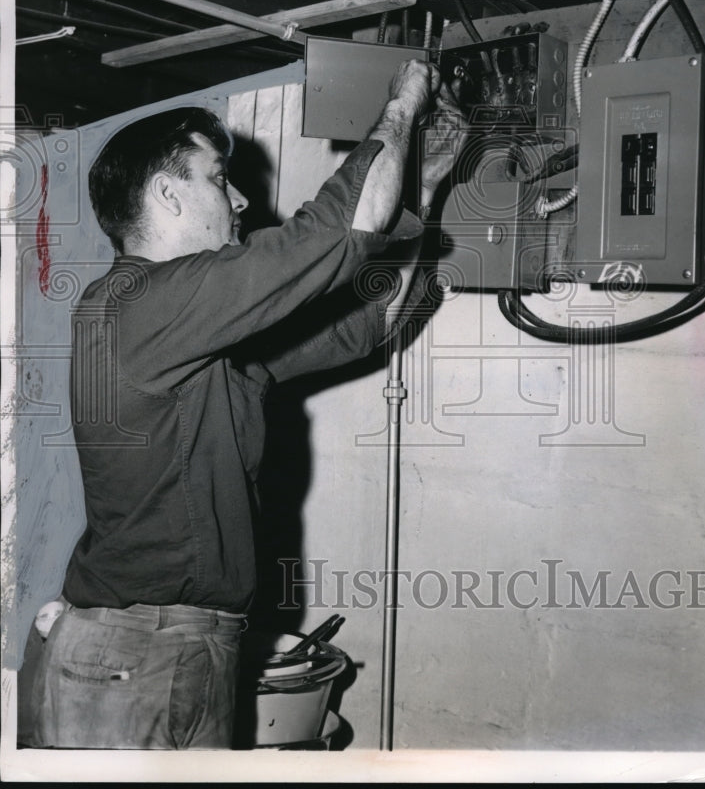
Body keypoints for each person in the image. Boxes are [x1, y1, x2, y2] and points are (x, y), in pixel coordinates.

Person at [27, 59, 466, 749]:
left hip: (185, 645)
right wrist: (404, 102)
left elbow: (370, 323)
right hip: (133, 655)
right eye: (217, 180)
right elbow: (333, 235)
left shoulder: (202, 336)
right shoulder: (139, 304)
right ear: (169, 195)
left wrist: (429, 187)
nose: (238, 201)